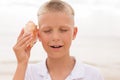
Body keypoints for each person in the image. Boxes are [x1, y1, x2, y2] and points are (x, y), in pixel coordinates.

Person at [13, 0, 104, 80]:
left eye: (63, 30)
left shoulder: (93, 75)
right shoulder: (28, 73)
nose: (55, 37)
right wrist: (21, 63)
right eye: (47, 31)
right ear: (39, 35)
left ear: (74, 33)